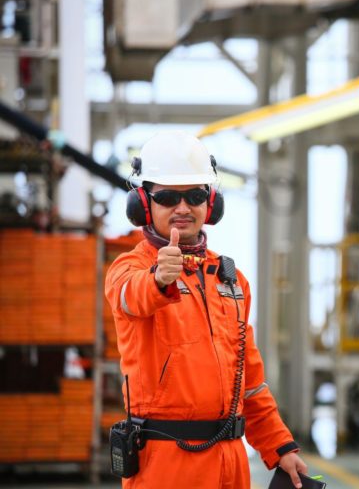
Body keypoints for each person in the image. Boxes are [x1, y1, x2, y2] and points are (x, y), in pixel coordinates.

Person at [105, 131, 307, 488]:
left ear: (210, 203)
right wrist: (159, 280)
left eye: (195, 195)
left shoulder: (230, 280)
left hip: (230, 462)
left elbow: (250, 383)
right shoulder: (129, 269)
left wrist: (279, 446)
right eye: (167, 197)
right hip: (165, 464)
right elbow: (130, 297)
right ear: (143, 203)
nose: (183, 208)